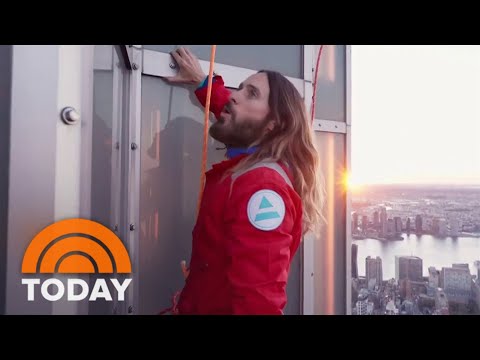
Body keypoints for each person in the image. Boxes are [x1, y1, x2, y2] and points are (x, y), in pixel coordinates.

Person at [163, 47, 324, 315]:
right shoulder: (252, 156)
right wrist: (204, 83)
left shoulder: (262, 188)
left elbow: (259, 304)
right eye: (240, 88)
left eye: (251, 93)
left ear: (274, 124)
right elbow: (234, 111)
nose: (235, 96)